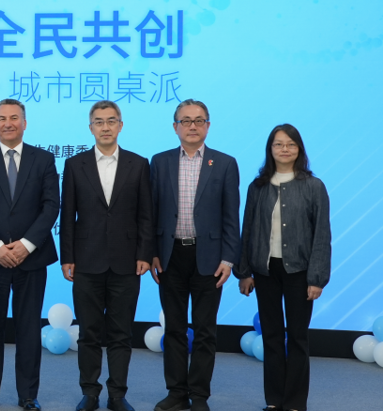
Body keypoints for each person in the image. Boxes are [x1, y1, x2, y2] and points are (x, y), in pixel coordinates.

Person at [0, 98, 60, 411]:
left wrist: (26, 244)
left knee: (29, 328)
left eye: (14, 117)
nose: (8, 123)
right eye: (2, 118)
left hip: (32, 258)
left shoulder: (43, 159)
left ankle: (28, 395)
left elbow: (51, 206)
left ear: (24, 123)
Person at [60, 101, 154, 411]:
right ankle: (89, 392)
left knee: (121, 333)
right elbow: (67, 215)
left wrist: (145, 253)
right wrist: (67, 257)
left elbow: (146, 215)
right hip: (86, 261)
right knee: (88, 333)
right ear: (91, 128)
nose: (105, 127)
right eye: (99, 122)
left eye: (111, 121)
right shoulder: (75, 165)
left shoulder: (138, 164)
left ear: (120, 126)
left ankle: (117, 394)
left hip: (127, 262)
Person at [149, 99, 240, 411]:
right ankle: (176, 392)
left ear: (208, 126)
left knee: (204, 331)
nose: (192, 126)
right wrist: (152, 253)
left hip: (210, 258)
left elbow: (231, 217)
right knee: (174, 329)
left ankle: (199, 395)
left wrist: (229, 259)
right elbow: (151, 213)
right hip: (170, 255)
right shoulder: (160, 162)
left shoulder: (225, 164)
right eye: (185, 121)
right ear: (175, 127)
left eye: (199, 120)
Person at [235, 124, 330, 411]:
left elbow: (321, 235)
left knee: (298, 338)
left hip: (300, 272)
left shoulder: (313, 186)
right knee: (272, 337)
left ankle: (295, 403)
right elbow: (247, 230)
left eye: (290, 144)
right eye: (278, 144)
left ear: (299, 149)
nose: (284, 149)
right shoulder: (258, 187)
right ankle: (274, 401)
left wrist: (317, 278)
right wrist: (244, 272)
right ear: (270, 149)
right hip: (265, 271)